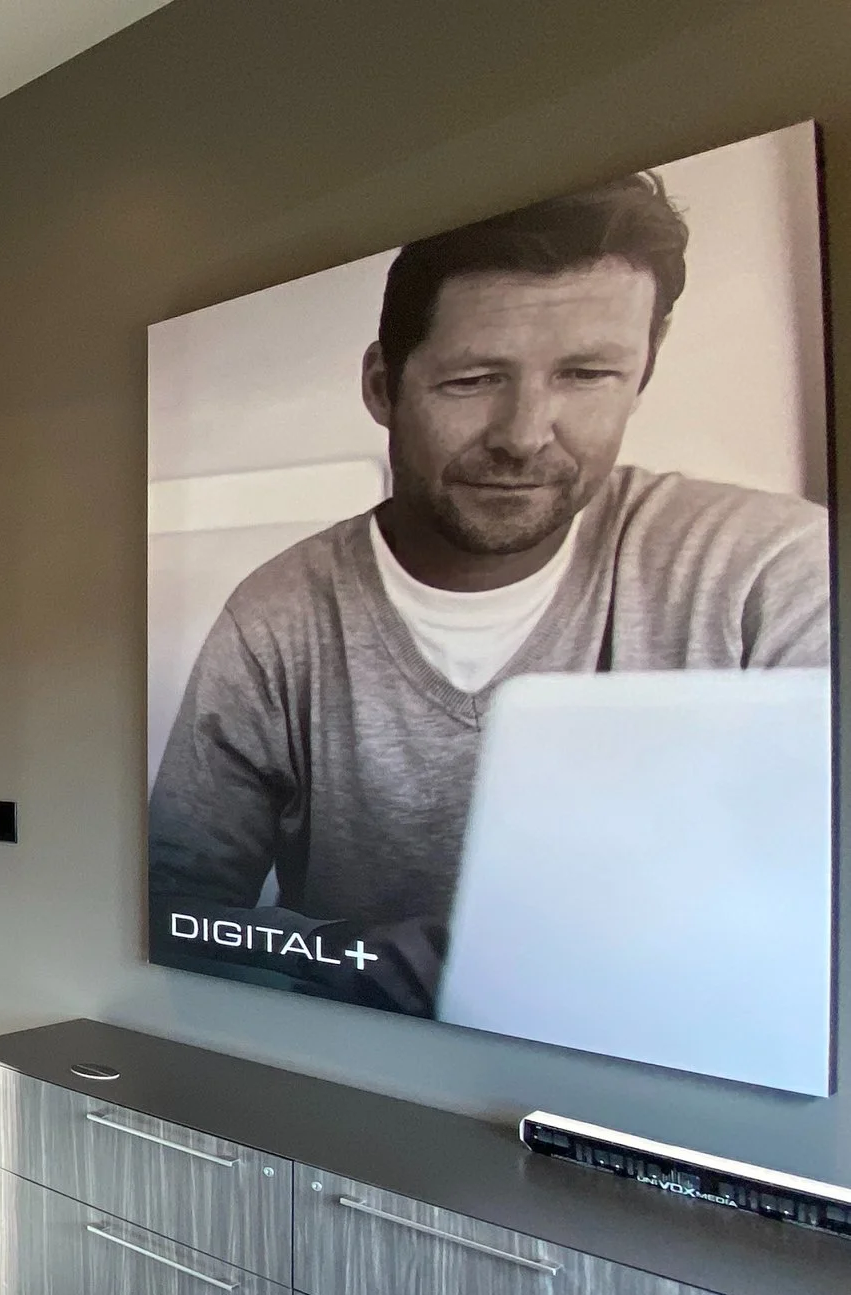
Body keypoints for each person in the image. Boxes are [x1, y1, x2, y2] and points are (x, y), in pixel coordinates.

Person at [147, 172, 829, 1017]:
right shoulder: (278, 615)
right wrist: (344, 954)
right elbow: (170, 912)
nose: (524, 437)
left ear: (643, 376)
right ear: (381, 386)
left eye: (587, 375)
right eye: (472, 381)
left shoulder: (772, 574)